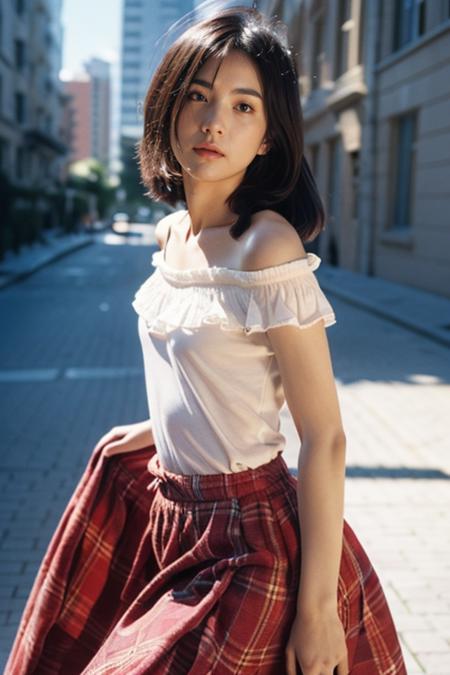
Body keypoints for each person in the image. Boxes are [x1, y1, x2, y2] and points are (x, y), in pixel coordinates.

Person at [5, 6, 407, 674]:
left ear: (269, 137)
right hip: (171, 516)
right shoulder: (170, 237)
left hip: (253, 539)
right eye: (198, 95)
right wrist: (148, 431)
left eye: (243, 105)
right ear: (168, 108)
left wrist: (316, 613)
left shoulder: (266, 245)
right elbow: (205, 380)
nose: (214, 120)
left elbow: (325, 436)